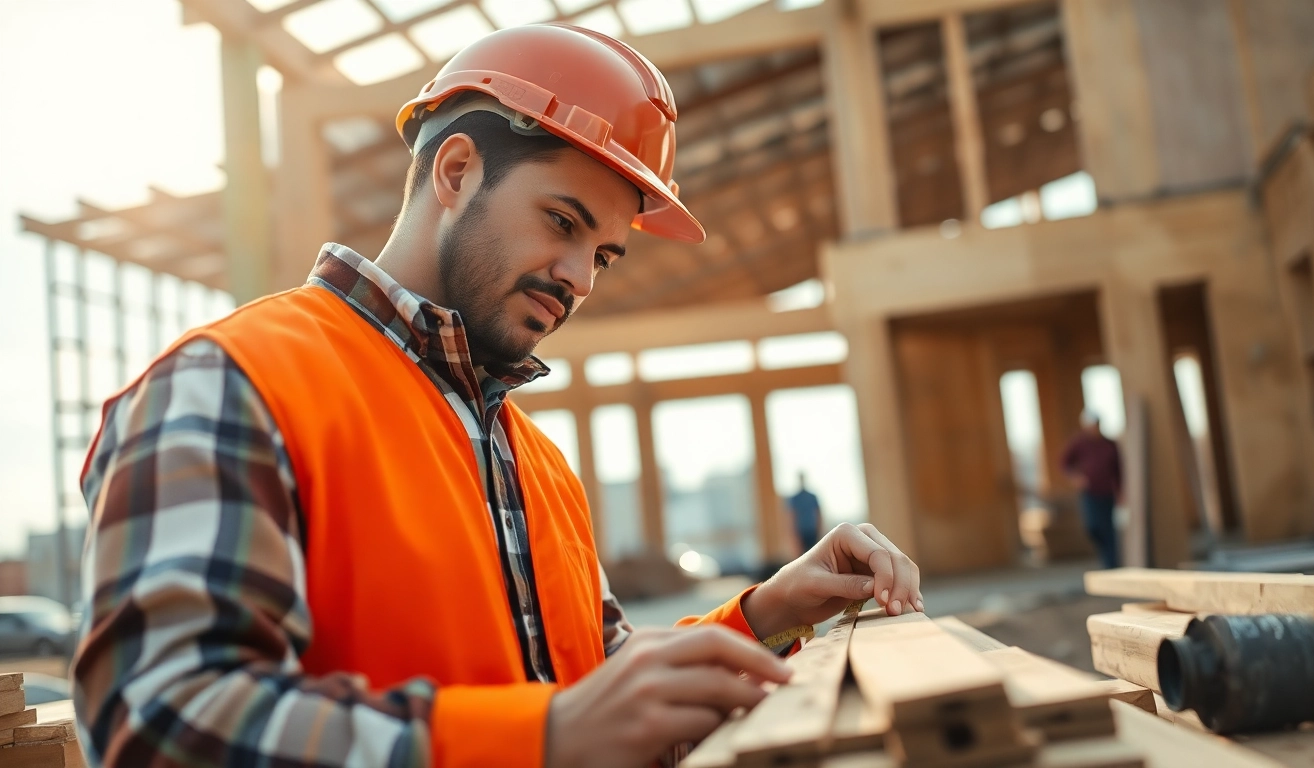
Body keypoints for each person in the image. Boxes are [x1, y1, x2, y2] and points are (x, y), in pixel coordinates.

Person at [72, 24, 923, 768]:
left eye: (604, 254)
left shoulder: (536, 462)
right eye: (562, 222)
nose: (579, 279)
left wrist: (769, 610)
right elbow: (161, 723)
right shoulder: (231, 385)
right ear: (455, 170)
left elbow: (603, 702)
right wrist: (535, 740)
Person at [1061, 409, 1123, 569]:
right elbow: (1065, 463)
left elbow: (1118, 471)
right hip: (1089, 493)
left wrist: (1121, 492)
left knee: (1108, 529)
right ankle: (1107, 557)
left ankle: (1112, 565)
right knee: (1093, 527)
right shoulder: (1079, 443)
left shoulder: (1109, 444)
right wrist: (1075, 477)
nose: (1093, 428)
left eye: (1095, 425)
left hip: (1107, 493)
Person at [787, 472, 823, 554]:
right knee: (803, 555)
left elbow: (818, 513)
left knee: (815, 553)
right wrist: (793, 534)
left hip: (812, 530)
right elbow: (792, 515)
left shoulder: (812, 497)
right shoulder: (795, 498)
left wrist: (819, 529)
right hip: (801, 531)